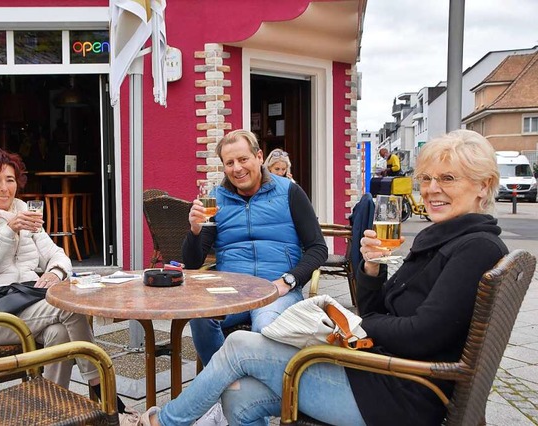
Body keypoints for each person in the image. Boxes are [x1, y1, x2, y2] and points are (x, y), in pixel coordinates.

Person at [140, 129, 508, 425]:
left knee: (242, 346)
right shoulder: (442, 240)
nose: (431, 189)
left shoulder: (474, 249)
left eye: (448, 178)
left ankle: (163, 422)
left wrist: (353, 325)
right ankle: (212, 391)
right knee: (238, 395)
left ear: (483, 185)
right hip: (374, 369)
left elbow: (419, 334)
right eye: (426, 178)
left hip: (395, 391)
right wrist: (371, 270)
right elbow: (381, 309)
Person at [0, 148, 132, 416]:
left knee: (59, 333)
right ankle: (102, 390)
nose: (4, 188)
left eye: (10, 179)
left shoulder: (23, 211)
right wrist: (7, 232)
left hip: (29, 303)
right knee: (69, 306)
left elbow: (57, 254)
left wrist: (55, 272)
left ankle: (50, 410)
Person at [183, 129, 328, 367]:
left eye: (243, 159)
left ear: (259, 157)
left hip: (276, 288)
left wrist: (288, 281)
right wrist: (195, 230)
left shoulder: (289, 191)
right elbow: (192, 263)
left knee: (266, 326)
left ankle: (244, 389)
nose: (237, 168)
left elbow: (318, 248)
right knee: (199, 314)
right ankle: (227, 385)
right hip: (231, 290)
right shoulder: (215, 198)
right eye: (229, 163)